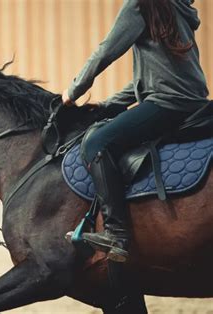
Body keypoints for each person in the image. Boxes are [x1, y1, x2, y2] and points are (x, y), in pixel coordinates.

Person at [62, 0, 209, 262]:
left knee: (97, 143)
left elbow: (105, 52)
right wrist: (109, 105)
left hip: (168, 104)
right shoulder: (172, 7)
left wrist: (73, 92)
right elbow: (159, 76)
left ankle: (116, 232)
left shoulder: (142, 5)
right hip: (191, 102)